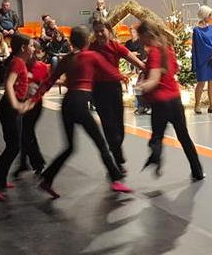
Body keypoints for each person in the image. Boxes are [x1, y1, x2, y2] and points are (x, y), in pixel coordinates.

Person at [30, 26, 132, 198]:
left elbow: (49, 80)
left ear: (72, 41)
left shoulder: (67, 59)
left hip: (67, 103)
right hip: (80, 103)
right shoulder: (92, 56)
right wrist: (123, 77)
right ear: (87, 41)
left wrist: (34, 99)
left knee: (69, 147)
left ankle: (47, 179)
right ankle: (115, 179)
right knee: (101, 144)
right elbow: (111, 72)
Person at [135, 20, 205, 181]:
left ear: (146, 35)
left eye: (140, 36)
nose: (139, 40)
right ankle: (197, 171)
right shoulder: (168, 49)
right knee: (184, 137)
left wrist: (141, 87)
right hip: (175, 100)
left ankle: (156, 157)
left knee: (156, 138)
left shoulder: (154, 53)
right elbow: (174, 69)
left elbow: (153, 80)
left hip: (161, 102)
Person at [89, 20, 145, 174]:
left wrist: (154, 70)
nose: (99, 34)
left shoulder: (116, 46)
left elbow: (138, 63)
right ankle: (117, 159)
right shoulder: (91, 49)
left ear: (109, 30)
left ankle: (114, 150)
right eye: (96, 31)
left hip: (114, 89)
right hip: (98, 90)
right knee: (108, 126)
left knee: (119, 127)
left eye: (102, 30)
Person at [0, 34, 33, 201]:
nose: (33, 49)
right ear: (23, 48)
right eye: (31, 46)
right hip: (9, 108)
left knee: (13, 146)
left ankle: (1, 180)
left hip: (10, 108)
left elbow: (18, 82)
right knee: (13, 147)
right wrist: (16, 105)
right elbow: (9, 84)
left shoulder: (19, 63)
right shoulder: (17, 62)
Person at [12, 46, 47, 179]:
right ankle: (33, 162)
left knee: (26, 132)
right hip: (23, 102)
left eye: (37, 52)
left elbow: (45, 83)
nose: (34, 56)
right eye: (33, 52)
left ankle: (30, 163)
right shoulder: (21, 65)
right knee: (26, 132)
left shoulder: (42, 67)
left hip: (35, 104)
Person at [192, 5, 212, 114]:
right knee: (201, 82)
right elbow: (200, 46)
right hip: (203, 59)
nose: (211, 16)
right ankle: (197, 105)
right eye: (209, 15)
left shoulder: (211, 28)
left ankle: (211, 106)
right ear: (204, 16)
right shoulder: (197, 30)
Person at [125, 24, 149, 115]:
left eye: (134, 32)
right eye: (131, 32)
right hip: (133, 66)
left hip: (141, 66)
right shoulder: (128, 43)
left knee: (141, 86)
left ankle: (146, 106)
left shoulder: (142, 43)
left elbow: (141, 54)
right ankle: (140, 106)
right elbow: (125, 53)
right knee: (137, 87)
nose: (132, 33)